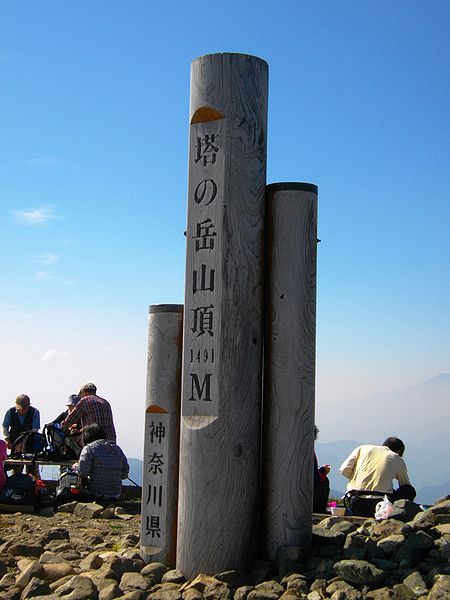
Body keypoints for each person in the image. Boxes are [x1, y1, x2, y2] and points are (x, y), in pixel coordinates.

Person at [340, 437, 416, 517]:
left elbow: (344, 470)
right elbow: (405, 484)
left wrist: (357, 479)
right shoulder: (396, 457)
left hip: (354, 503)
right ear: (398, 451)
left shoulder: (362, 449)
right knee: (409, 490)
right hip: (380, 505)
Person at [75, 423, 129, 502]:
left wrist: (76, 467)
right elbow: (125, 474)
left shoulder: (89, 449)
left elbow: (83, 473)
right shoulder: (117, 449)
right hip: (115, 494)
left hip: (95, 493)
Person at [313, 425, 331, 513]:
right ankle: (318, 509)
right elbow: (313, 477)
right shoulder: (307, 451)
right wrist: (323, 471)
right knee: (325, 481)